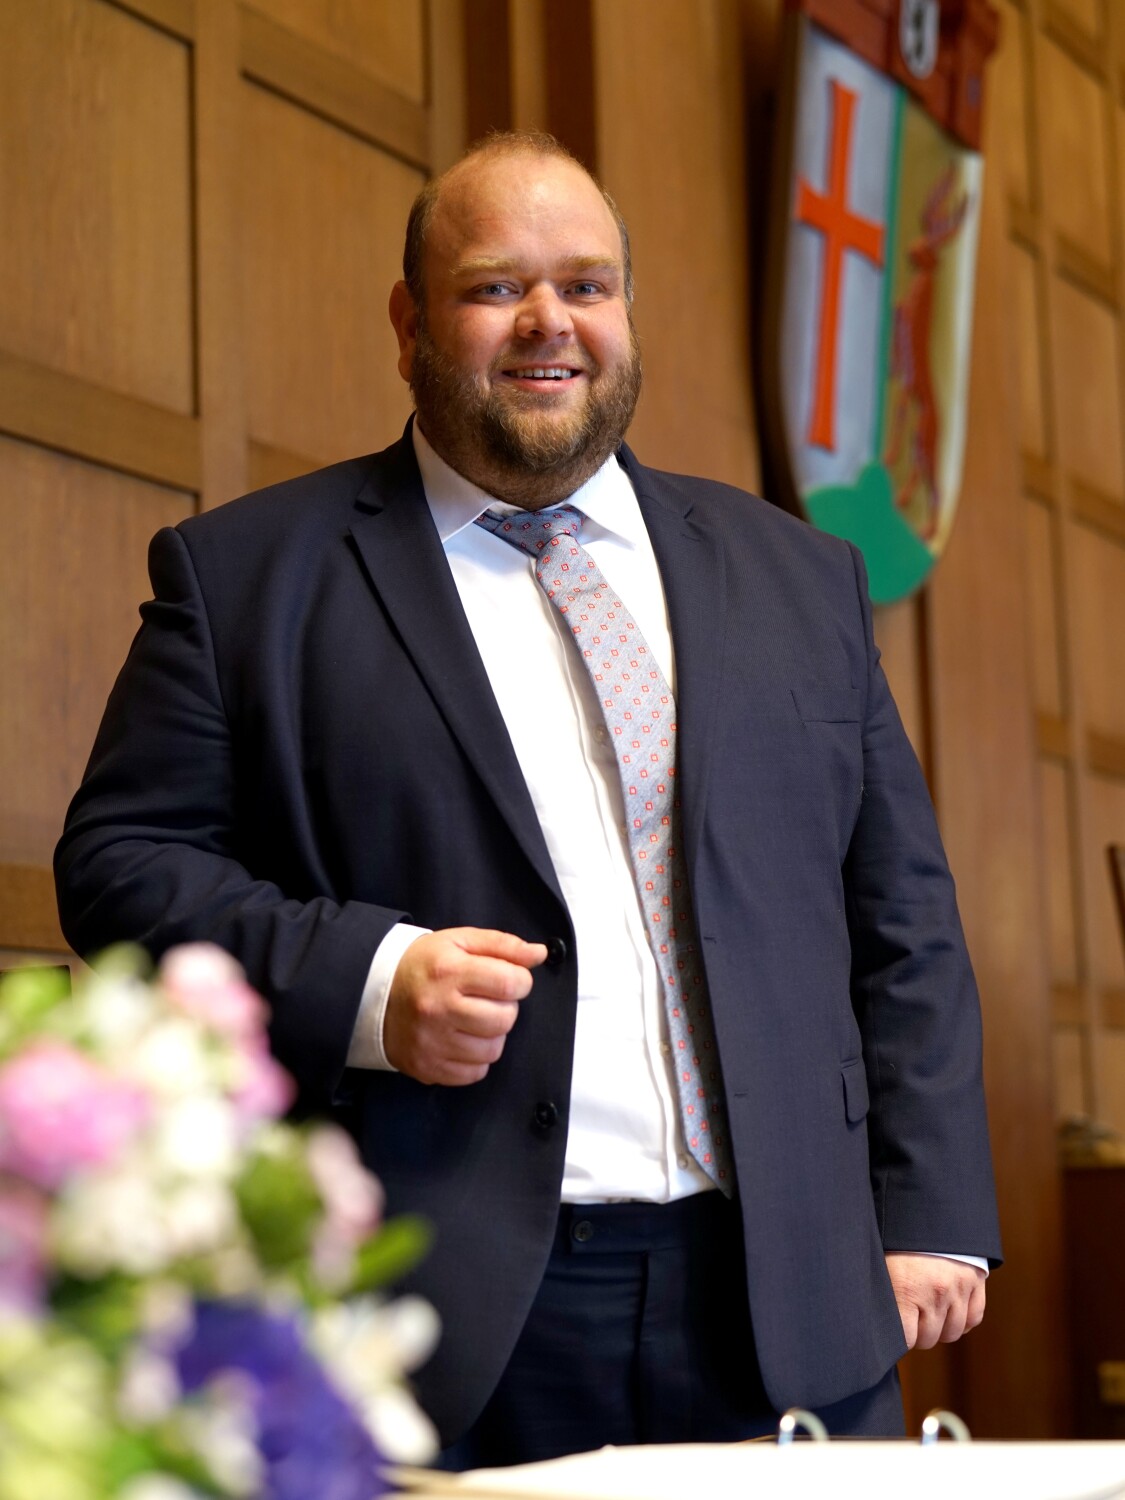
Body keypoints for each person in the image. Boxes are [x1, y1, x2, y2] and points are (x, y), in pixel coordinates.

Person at [55, 131, 1001, 1466]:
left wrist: (928, 1205)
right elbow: (119, 864)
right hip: (451, 1310)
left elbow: (896, 910)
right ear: (409, 322)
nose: (549, 320)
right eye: (496, 285)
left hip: (793, 1295)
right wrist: (372, 983)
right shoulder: (248, 580)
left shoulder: (797, 577)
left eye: (588, 284)